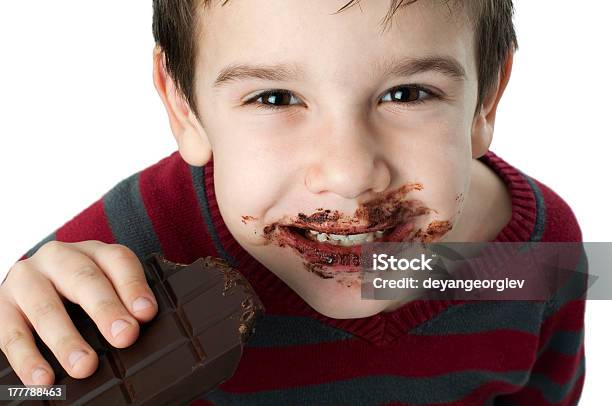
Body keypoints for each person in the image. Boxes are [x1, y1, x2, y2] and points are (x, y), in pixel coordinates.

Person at [0, 1, 585, 404]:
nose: (350, 174)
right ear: (183, 106)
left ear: (487, 100)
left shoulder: (542, 254)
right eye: (275, 97)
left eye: (407, 93)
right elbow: (29, 386)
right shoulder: (136, 246)